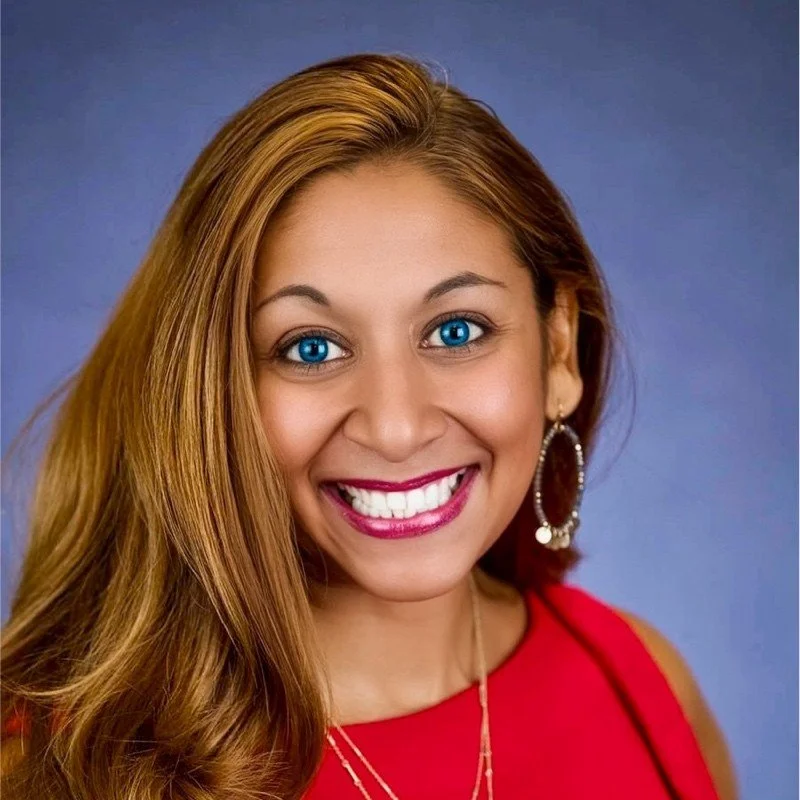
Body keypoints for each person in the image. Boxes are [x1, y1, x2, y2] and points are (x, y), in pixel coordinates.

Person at [1, 53, 737, 799]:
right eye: (310, 347)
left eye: (456, 331)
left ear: (557, 352)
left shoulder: (644, 685)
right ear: (216, 391)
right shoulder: (69, 766)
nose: (394, 426)